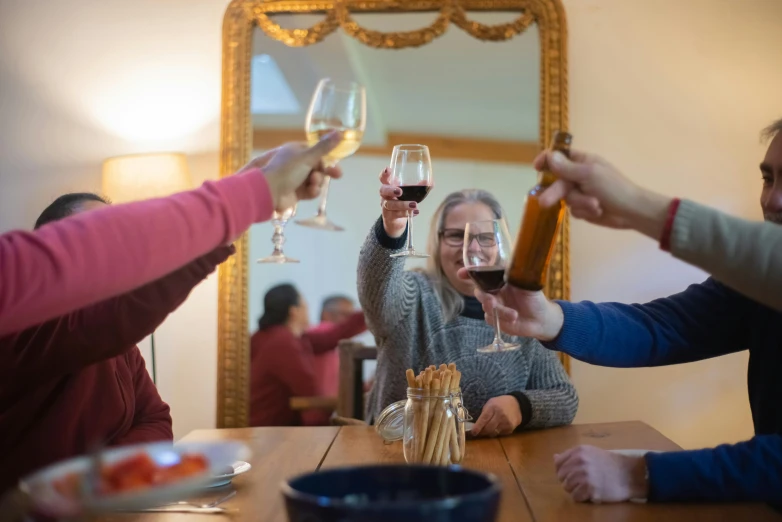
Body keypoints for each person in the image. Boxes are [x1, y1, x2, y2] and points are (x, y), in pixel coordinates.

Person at [464, 118, 782, 504]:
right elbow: (660, 327)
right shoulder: (756, 286)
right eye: (768, 179)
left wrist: (641, 474)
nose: (772, 200)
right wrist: (549, 319)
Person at [0, 193, 234, 493]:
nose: (111, 251)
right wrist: (220, 220)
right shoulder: (28, 325)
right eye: (97, 235)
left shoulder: (121, 347)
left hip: (108, 502)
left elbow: (156, 420)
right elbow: (114, 321)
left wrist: (107, 471)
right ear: (50, 253)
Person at [0, 135, 342, 337]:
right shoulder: (34, 334)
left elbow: (155, 419)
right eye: (89, 232)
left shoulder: (117, 342)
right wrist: (254, 192)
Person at [357, 169, 578, 436]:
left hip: (499, 463)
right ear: (437, 243)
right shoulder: (413, 296)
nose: (471, 248)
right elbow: (376, 289)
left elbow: (564, 398)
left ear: (501, 244)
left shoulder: (521, 308)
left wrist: (520, 406)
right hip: (402, 459)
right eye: (455, 236)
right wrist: (392, 228)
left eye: (485, 237)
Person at [310, 295, 367, 396]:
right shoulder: (321, 333)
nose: (349, 322)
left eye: (351, 317)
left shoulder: (336, 340)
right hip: (322, 405)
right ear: (326, 314)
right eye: (345, 315)